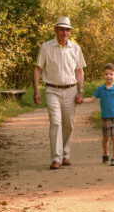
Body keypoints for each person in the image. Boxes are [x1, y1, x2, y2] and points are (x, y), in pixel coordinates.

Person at [34, 16, 86, 170]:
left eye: (67, 29)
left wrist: (81, 91)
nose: (64, 32)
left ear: (70, 32)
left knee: (68, 123)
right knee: (56, 122)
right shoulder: (46, 47)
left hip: (71, 90)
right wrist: (37, 90)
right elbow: (38, 69)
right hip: (52, 90)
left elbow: (79, 71)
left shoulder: (75, 48)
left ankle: (65, 154)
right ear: (55, 30)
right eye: (61, 29)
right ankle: (56, 158)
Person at [79, 63, 114, 166]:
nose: (109, 76)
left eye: (111, 74)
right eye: (106, 74)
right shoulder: (100, 89)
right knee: (106, 138)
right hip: (105, 118)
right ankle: (105, 153)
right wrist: (81, 100)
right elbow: (92, 99)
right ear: (104, 76)